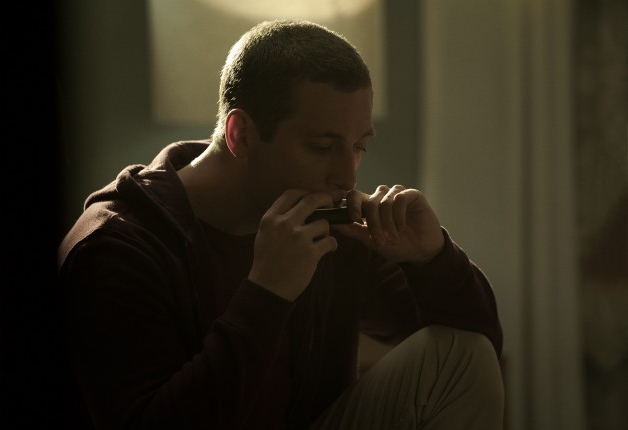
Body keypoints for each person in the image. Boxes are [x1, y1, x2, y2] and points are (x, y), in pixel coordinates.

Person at [57, 19, 504, 429]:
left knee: (463, 355)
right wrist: (267, 293)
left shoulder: (331, 224)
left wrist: (430, 258)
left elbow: (478, 344)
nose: (347, 177)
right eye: (322, 147)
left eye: (358, 146)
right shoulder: (114, 247)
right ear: (241, 134)